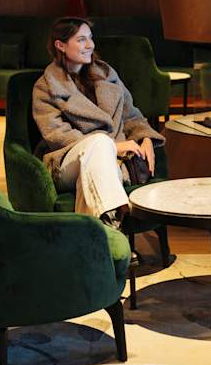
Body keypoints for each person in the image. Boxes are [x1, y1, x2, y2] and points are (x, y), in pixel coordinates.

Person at [33, 16, 164, 228]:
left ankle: (106, 230)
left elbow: (132, 115)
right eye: (81, 39)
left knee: (101, 160)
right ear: (60, 45)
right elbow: (57, 134)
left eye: (90, 38)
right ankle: (112, 227)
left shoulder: (107, 75)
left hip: (111, 163)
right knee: (100, 143)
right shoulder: (46, 87)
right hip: (65, 161)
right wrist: (113, 146)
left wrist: (146, 137)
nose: (90, 45)